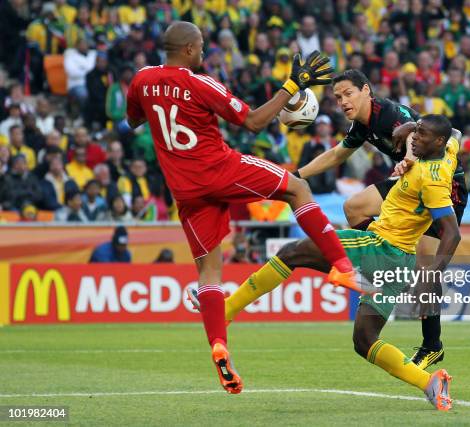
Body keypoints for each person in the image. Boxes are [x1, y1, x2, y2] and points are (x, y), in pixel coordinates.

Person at [126, 21, 355, 394]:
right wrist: (291, 87)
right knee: (297, 187)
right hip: (219, 169)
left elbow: (134, 118)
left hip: (184, 189)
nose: (203, 53)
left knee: (209, 274)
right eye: (200, 47)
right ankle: (343, 267)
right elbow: (253, 122)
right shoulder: (201, 82)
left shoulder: (140, 80)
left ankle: (219, 345)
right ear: (187, 49)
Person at [212, 115, 460, 410]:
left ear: (438, 143)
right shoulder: (449, 151)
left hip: (380, 247)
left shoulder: (431, 179)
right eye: (417, 131)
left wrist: (430, 277)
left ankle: (228, 309)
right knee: (365, 341)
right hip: (400, 262)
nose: (416, 138)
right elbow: (453, 131)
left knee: (294, 251)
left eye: (423, 135)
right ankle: (429, 382)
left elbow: (452, 233)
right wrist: (410, 129)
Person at [294, 69, 468, 369]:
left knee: (427, 268)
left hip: (444, 188)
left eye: (348, 93)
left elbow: (443, 134)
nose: (343, 101)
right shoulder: (362, 125)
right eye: (337, 97)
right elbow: (336, 155)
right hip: (411, 183)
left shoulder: (388, 113)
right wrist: (295, 177)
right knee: (354, 208)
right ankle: (380, 260)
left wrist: (409, 158)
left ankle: (432, 344)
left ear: (366, 90)